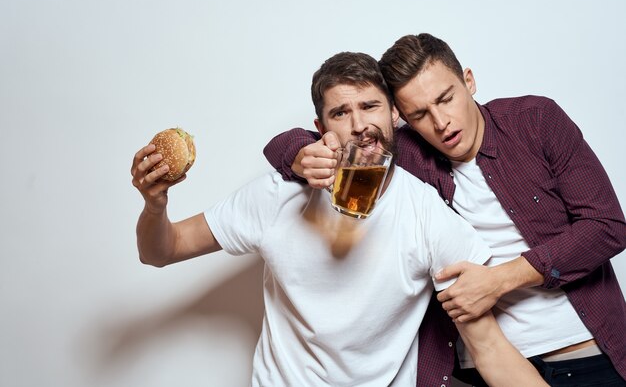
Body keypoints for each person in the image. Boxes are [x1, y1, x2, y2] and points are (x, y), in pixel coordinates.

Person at [131, 52, 548, 386]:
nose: (360, 126)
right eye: (340, 113)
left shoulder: (426, 212)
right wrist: (155, 205)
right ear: (319, 128)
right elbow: (162, 250)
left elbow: (489, 348)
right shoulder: (278, 194)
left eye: (370, 107)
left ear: (394, 116)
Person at [263, 34, 626, 386]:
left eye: (446, 99)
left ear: (468, 81)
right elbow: (319, 137)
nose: (440, 122)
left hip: (581, 355)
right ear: (399, 117)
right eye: (419, 113)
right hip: (479, 369)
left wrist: (501, 280)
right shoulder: (404, 152)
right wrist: (297, 155)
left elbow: (607, 225)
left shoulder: (535, 121)